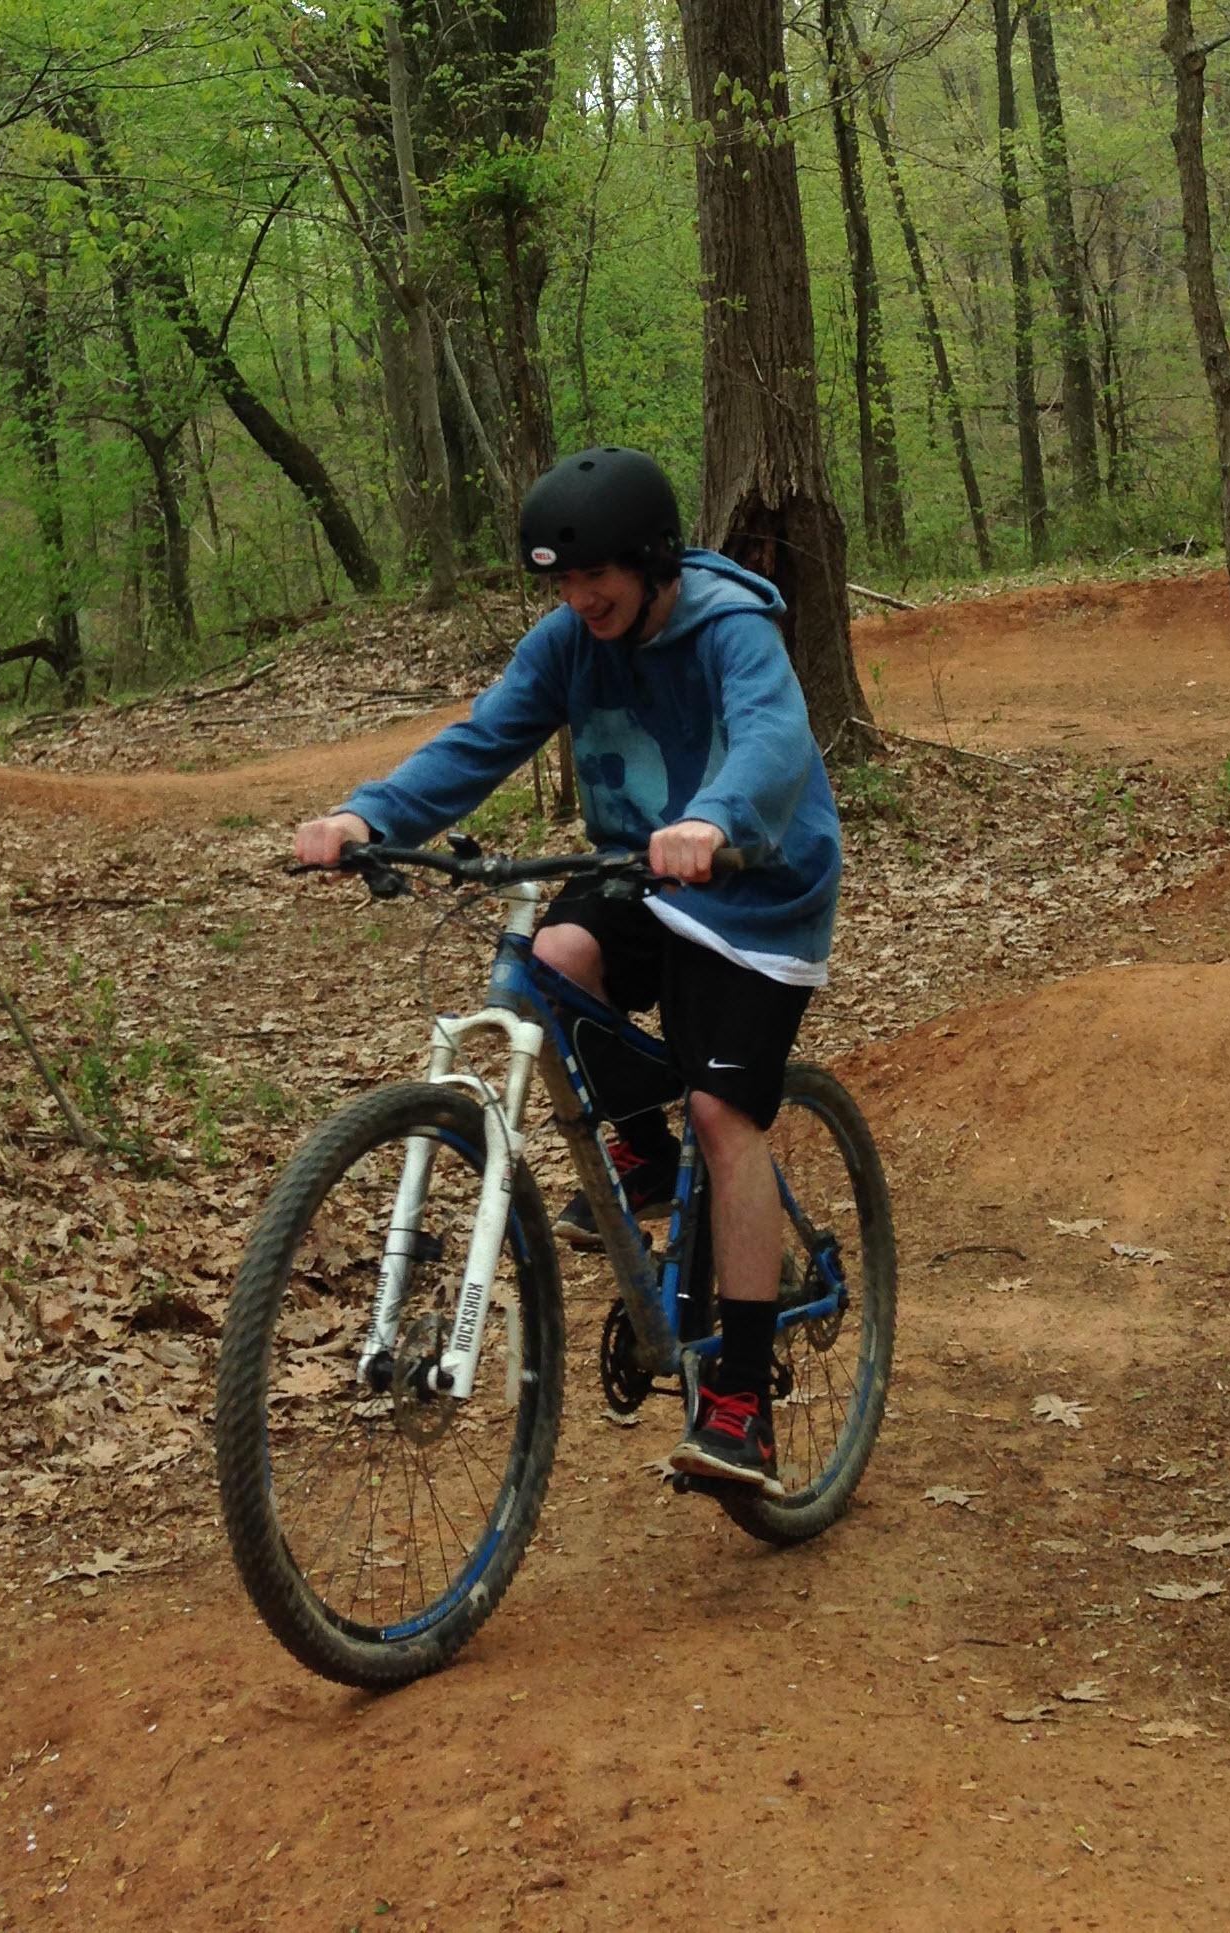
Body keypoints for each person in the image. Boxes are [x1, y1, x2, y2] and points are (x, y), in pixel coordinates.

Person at [293, 447, 843, 1494]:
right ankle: (639, 1157)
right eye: (559, 582)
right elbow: (481, 741)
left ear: (652, 562)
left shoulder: (730, 627)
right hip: (637, 872)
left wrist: (712, 819)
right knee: (553, 957)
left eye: (596, 578)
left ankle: (737, 1396)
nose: (578, 598)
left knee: (727, 1119)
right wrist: (370, 813)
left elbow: (772, 738)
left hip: (753, 886)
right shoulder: (566, 645)